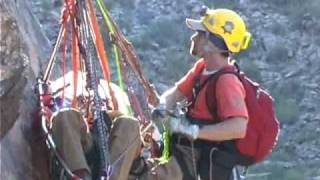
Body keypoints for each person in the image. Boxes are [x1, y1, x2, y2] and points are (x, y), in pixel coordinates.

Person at [146, 7, 253, 180]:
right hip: (185, 152)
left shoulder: (227, 81)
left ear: (212, 43)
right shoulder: (202, 68)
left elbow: (238, 127)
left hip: (201, 160)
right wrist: (163, 106)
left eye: (199, 33)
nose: (193, 37)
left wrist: (193, 130)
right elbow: (176, 93)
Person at [42, 71, 142, 180]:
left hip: (114, 156)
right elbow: (67, 125)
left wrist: (108, 116)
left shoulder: (116, 116)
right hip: (85, 151)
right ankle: (80, 175)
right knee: (64, 115)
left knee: (129, 124)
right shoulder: (72, 110)